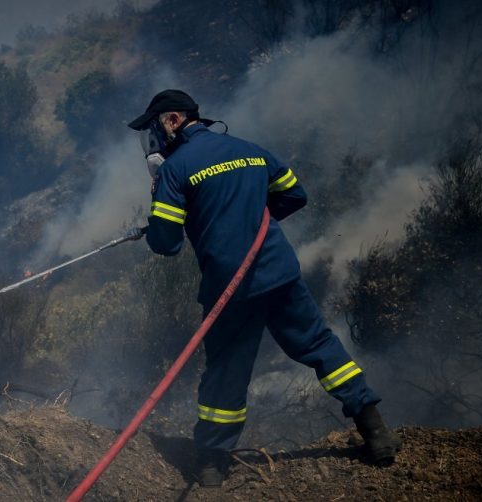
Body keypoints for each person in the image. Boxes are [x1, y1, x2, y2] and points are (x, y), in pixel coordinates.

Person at [125, 89, 402, 487]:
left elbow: (166, 245)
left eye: (153, 130)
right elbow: (295, 194)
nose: (152, 141)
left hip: (229, 290)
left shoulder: (175, 169)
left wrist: (162, 209)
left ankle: (210, 467)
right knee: (321, 347)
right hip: (279, 273)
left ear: (172, 121)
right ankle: (375, 430)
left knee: (226, 374)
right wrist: (250, 216)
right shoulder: (251, 150)